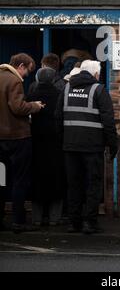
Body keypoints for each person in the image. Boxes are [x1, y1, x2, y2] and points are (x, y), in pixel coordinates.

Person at [56, 60, 119, 234]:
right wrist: (113, 145)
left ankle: (73, 222)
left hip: (70, 147)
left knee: (74, 184)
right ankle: (89, 223)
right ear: (96, 74)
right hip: (92, 147)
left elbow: (57, 118)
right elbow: (108, 121)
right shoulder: (98, 90)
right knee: (93, 184)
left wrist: (63, 141)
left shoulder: (66, 89)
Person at [0, 53, 44, 232]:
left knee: (1, 180)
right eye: (27, 70)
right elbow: (18, 107)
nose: (26, 75)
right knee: (20, 180)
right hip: (17, 138)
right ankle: (19, 221)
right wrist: (35, 106)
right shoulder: (14, 81)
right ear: (20, 66)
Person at [27, 67, 64, 227]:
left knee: (37, 179)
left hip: (35, 142)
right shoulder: (59, 94)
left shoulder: (31, 94)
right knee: (56, 179)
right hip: (56, 143)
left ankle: (36, 218)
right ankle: (55, 218)